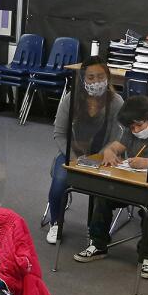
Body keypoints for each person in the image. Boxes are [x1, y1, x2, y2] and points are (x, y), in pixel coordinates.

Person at [74, 96, 148, 280]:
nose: (135, 130)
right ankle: (99, 244)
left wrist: (147, 163)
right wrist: (109, 153)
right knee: (104, 195)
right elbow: (113, 147)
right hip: (134, 184)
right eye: (131, 127)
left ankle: (147, 255)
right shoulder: (131, 132)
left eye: (139, 125)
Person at [46, 57, 124, 245]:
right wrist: (73, 159)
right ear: (83, 80)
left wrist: (105, 153)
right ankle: (56, 222)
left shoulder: (116, 102)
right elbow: (59, 133)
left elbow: (118, 136)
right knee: (60, 182)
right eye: (91, 77)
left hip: (102, 158)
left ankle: (95, 229)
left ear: (107, 77)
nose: (96, 81)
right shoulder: (70, 100)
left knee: (103, 188)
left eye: (100, 76)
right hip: (71, 155)